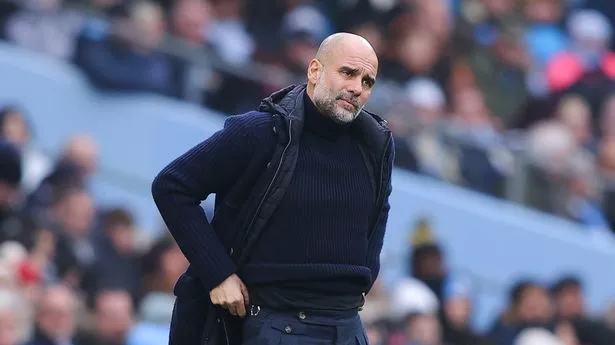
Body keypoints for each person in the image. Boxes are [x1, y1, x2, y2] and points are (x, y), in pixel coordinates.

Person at [151, 32, 394, 345]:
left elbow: (379, 213)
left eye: (368, 81)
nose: (356, 88)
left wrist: (365, 275)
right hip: (274, 322)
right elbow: (172, 186)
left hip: (346, 324)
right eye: (348, 73)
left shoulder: (376, 145)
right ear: (315, 71)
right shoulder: (260, 131)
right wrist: (218, 273)